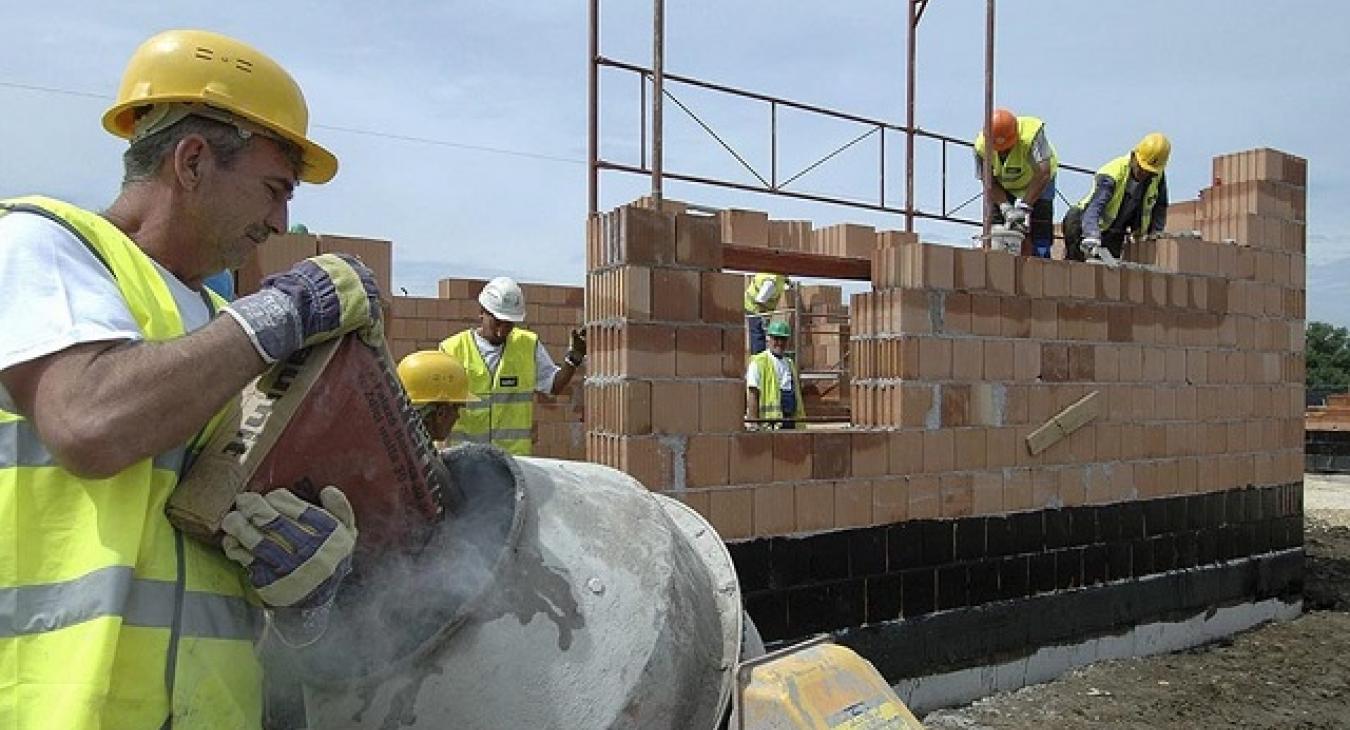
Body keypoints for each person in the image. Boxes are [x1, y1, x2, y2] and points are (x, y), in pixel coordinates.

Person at [0, 29, 379, 728]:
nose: (279, 221)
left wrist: (301, 587)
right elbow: (88, 424)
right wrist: (282, 314)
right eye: (273, 190)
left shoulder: (216, 321)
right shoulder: (43, 244)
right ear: (195, 161)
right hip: (60, 707)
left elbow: (203, 525)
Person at [439, 276, 586, 455]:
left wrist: (574, 358)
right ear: (482, 312)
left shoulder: (527, 344)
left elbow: (553, 385)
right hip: (466, 461)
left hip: (513, 461)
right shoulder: (452, 350)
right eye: (497, 322)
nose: (502, 330)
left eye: (508, 324)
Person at [1063, 132, 1171, 265]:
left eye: (1149, 172)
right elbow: (1095, 207)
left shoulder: (1157, 176)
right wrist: (1091, 234)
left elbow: (1160, 205)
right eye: (1142, 169)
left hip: (1115, 229)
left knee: (1110, 269)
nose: (1144, 174)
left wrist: (1156, 231)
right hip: (1082, 223)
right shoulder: (1113, 173)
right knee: (1081, 267)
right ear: (1134, 157)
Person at [973, 108, 1059, 258]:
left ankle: (1042, 257)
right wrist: (1005, 206)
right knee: (996, 223)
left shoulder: (1031, 134)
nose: (1003, 152)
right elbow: (987, 181)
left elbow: (1043, 172)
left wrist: (1024, 206)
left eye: (1006, 148)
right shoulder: (981, 146)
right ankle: (1000, 255)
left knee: (1041, 218)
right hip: (1004, 183)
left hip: (1037, 179)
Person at [398, 349, 480, 443]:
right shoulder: (412, 455)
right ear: (441, 413)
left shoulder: (396, 446)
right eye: (457, 408)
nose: (458, 416)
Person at [745, 320, 806, 430]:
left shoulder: (790, 363)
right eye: (776, 339)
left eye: (783, 339)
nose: (780, 343)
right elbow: (752, 392)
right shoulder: (758, 362)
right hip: (770, 424)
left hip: (791, 421)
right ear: (768, 339)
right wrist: (753, 422)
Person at [744, 271, 789, 355]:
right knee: (758, 335)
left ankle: (759, 356)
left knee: (758, 334)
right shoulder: (771, 282)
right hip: (755, 308)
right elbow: (761, 299)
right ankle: (758, 358)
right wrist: (763, 315)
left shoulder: (777, 277)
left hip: (757, 307)